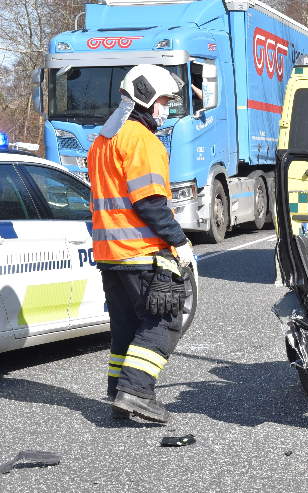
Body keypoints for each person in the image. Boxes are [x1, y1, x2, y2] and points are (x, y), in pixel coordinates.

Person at [87, 64, 195, 423]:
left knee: (127, 327)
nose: (166, 107)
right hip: (141, 252)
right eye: (164, 99)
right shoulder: (141, 140)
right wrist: (179, 242)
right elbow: (149, 201)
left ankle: (119, 392)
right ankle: (135, 392)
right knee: (163, 323)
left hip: (110, 255)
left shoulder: (103, 140)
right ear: (146, 97)